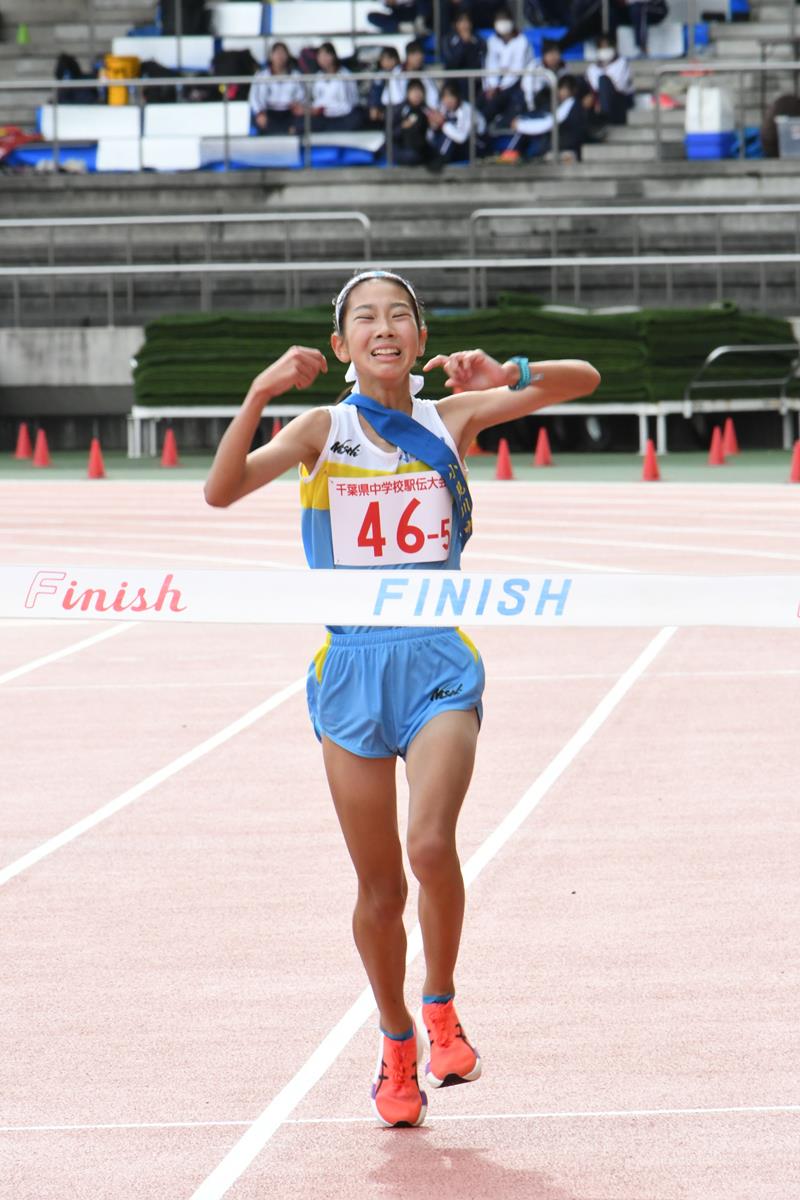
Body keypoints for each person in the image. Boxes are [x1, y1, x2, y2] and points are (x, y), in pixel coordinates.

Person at [204, 269, 601, 1129]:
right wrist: (260, 391)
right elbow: (221, 489)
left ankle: (443, 1006)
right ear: (342, 346)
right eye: (365, 319)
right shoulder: (321, 428)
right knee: (380, 890)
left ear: (419, 339)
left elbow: (584, 382)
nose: (384, 327)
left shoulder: (450, 419)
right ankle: (394, 1047)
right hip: (350, 671)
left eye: (400, 316)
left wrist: (508, 371)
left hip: (437, 663)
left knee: (429, 844)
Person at [502, 73, 585, 161]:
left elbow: (548, 124)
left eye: (564, 89)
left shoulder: (570, 104)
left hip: (567, 143)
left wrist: (520, 126)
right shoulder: (567, 104)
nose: (561, 92)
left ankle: (513, 154)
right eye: (560, 89)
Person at [482, 9, 537, 127]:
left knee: (504, 101)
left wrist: (501, 87)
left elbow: (517, 68)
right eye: (499, 20)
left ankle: (498, 126)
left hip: (517, 83)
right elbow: (491, 64)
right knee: (483, 100)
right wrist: (493, 85)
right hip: (497, 84)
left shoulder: (522, 41)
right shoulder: (492, 41)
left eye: (504, 20)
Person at [249, 42, 305, 135]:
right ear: (271, 56)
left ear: (287, 56)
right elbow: (254, 97)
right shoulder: (261, 75)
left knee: (303, 122)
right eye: (277, 53)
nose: (280, 56)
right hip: (269, 112)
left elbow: (303, 95)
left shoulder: (296, 75)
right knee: (258, 121)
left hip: (289, 112)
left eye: (283, 53)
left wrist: (297, 105)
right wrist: (259, 113)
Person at [427, 79, 487, 163]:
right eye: (445, 97)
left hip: (475, 145)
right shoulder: (442, 108)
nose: (448, 100)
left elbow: (462, 137)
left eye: (451, 96)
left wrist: (443, 124)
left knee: (449, 136)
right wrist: (434, 126)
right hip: (457, 147)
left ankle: (440, 160)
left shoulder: (467, 110)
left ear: (458, 96)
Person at [310, 43, 364, 132]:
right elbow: (316, 99)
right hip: (323, 116)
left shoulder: (345, 74)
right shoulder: (318, 76)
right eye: (320, 55)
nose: (323, 58)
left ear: (333, 56)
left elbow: (349, 102)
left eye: (326, 55)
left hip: (342, 115)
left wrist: (327, 109)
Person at [583, 34, 634, 126]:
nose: (604, 50)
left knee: (603, 80)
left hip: (618, 103)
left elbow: (620, 87)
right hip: (596, 104)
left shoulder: (622, 63)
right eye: (601, 47)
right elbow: (591, 87)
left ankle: (603, 116)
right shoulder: (592, 68)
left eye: (607, 46)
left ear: (613, 47)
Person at [442, 12, 486, 100]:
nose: (465, 25)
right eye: (461, 21)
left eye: (467, 21)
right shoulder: (448, 40)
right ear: (456, 24)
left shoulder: (478, 40)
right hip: (454, 80)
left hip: (474, 81)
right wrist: (463, 44)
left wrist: (470, 44)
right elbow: (451, 63)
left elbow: (479, 61)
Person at [391, 78, 435, 164]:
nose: (417, 95)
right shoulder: (399, 109)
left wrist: (434, 126)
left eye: (419, 92)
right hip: (402, 147)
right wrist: (402, 127)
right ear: (408, 93)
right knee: (410, 156)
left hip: (420, 148)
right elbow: (390, 135)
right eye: (414, 91)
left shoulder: (427, 110)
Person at [367, 46, 405, 127]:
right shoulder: (380, 75)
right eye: (384, 59)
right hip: (384, 107)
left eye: (390, 59)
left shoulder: (402, 73)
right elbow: (375, 93)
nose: (387, 62)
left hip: (399, 107)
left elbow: (400, 97)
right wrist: (373, 107)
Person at [403, 38, 441, 108]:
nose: (419, 59)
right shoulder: (398, 73)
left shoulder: (425, 74)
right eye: (416, 56)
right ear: (408, 56)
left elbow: (433, 97)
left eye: (421, 56)